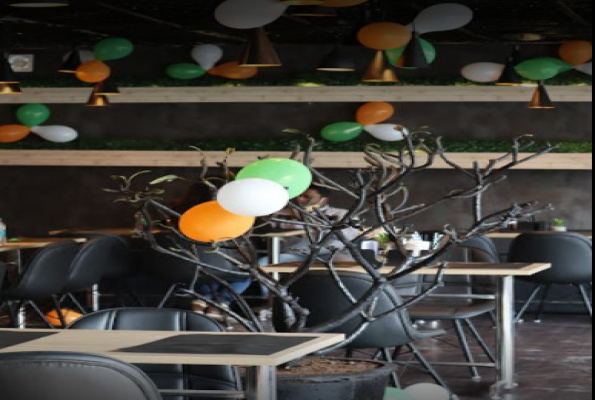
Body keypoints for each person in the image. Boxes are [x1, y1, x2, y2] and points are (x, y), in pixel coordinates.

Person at [263, 185, 360, 265]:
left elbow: (347, 235)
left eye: (307, 197)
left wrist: (304, 218)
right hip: (295, 255)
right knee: (263, 263)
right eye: (299, 195)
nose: (300, 199)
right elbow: (265, 229)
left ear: (323, 200)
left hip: (331, 254)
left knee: (350, 265)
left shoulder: (342, 214)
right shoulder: (283, 213)